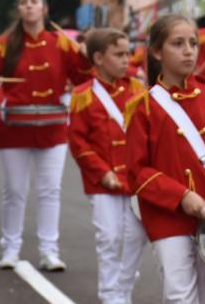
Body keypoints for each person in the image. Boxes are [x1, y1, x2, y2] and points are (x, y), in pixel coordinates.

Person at [124, 14, 205, 304]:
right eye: (178, 44)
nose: (188, 51)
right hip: (167, 216)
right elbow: (137, 172)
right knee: (180, 295)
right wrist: (181, 195)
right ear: (157, 52)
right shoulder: (143, 106)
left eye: (193, 43)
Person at [0, 0, 92, 270]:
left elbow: (82, 78)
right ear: (19, 9)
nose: (28, 5)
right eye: (23, 2)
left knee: (50, 191)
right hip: (15, 128)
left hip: (53, 129)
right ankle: (10, 248)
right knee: (14, 191)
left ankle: (49, 250)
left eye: (33, 1)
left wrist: (85, 57)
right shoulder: (5, 43)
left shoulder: (62, 42)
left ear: (44, 8)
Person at [68, 28, 148, 304]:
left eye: (128, 53)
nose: (127, 60)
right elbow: (78, 142)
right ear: (99, 58)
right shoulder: (83, 94)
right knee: (109, 236)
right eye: (119, 54)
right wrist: (102, 173)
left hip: (134, 177)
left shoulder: (137, 89)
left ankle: (122, 287)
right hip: (103, 181)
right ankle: (110, 292)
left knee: (135, 237)